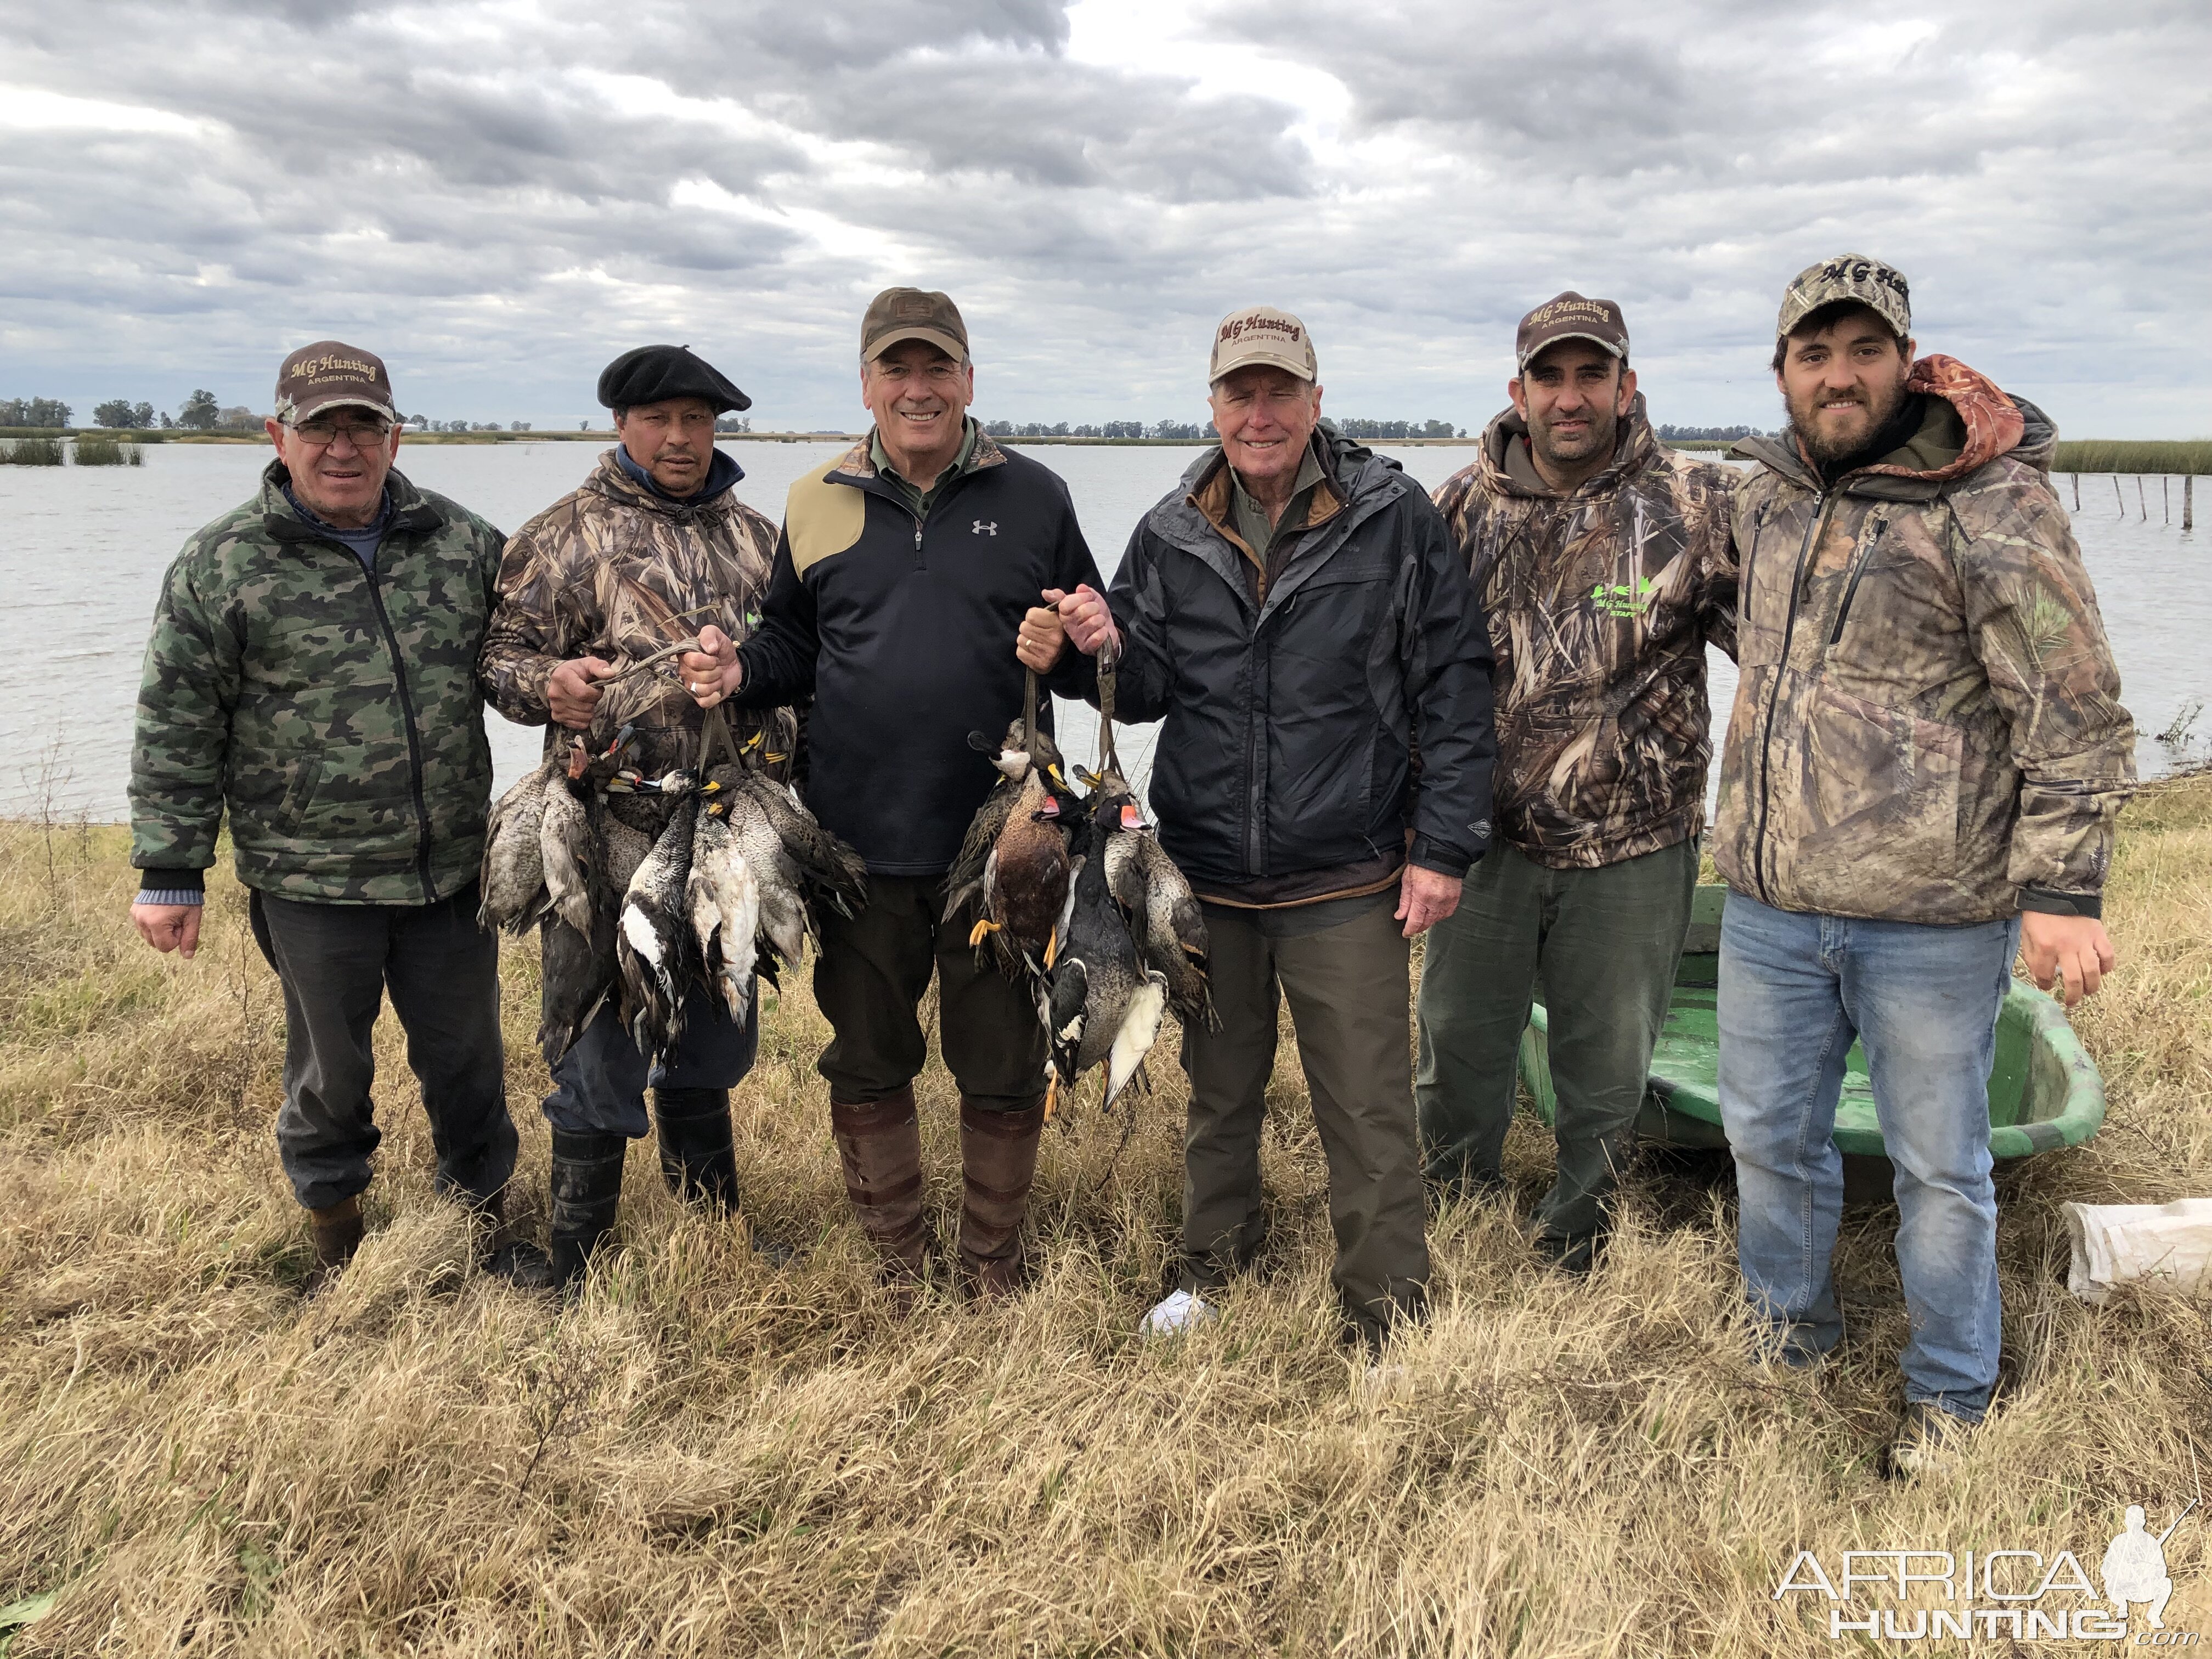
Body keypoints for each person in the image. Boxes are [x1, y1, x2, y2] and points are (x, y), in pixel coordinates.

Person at [1713, 255, 2134, 1476]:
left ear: (1905, 360)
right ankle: (1788, 1344)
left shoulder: (1993, 505)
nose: (1837, 375)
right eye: (1813, 353)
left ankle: (1952, 1397)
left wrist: (2061, 892)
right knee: (1767, 1140)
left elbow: (2075, 704)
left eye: (1862, 351)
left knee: (1940, 1170)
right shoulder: (1768, 498)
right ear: (1783, 371)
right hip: (1771, 907)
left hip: (1932, 920)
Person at [1054, 306, 1496, 1350]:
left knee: (1368, 1108)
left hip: (1344, 871)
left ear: (1315, 398)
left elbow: (1455, 686)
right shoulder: (1168, 529)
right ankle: (1213, 1264)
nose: (1260, 414)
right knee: (1221, 1093)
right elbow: (1147, 683)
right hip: (1206, 874)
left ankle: (1386, 1305)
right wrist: (1098, 646)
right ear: (1212, 405)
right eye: (1239, 394)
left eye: (1279, 391)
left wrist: (1442, 848)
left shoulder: (1393, 517)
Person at [680, 289, 1103, 1296]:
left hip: (1001, 846)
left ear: (969, 378)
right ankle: (899, 1269)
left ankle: (989, 1267)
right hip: (856, 838)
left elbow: (1094, 657)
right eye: (896, 370)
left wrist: (1075, 641)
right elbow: (792, 641)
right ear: (865, 383)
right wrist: (740, 668)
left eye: (937, 369)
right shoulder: (816, 496)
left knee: (1000, 1061)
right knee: (869, 1056)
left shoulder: (1039, 497)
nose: (918, 390)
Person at [129, 341, 516, 1290]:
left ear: (395, 436)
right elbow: (178, 723)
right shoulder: (222, 565)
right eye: (321, 427)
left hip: (451, 871)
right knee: (330, 1077)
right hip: (311, 878)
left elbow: (521, 666)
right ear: (278, 435)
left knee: (468, 1063)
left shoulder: (467, 543)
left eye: (364, 427)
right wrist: (171, 871)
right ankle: (336, 1245)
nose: (343, 447)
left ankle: (483, 1228)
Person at [1417, 294, 1737, 1272]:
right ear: (1518, 391)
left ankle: (1578, 1230)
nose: (1570, 396)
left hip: (1634, 845)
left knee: (1606, 1067)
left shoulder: (1694, 503)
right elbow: (1412, 670)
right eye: (1549, 376)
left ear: (1626, 386)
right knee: (1459, 1047)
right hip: (1483, 841)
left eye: (1591, 375)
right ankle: (1455, 1211)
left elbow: (1787, 651)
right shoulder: (1460, 506)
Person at [478, 343, 794, 1291]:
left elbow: (798, 664)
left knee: (713, 1028)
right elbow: (499, 658)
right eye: (659, 420)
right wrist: (552, 686)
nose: (680, 437)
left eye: (697, 420)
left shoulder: (759, 539)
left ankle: (715, 1232)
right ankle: (576, 1262)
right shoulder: (562, 534)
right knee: (592, 1035)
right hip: (602, 827)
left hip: (724, 827)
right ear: (622, 424)